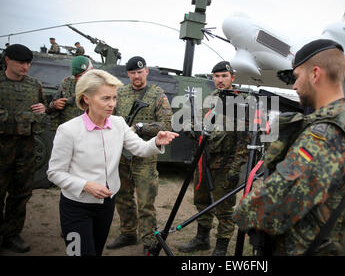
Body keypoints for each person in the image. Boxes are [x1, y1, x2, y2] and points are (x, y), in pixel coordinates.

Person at [233, 39, 345, 256]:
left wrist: (242, 212)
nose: (294, 86)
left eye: (297, 77)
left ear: (315, 74)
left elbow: (272, 206)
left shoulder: (325, 135)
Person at [47, 69, 178, 256]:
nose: (112, 104)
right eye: (105, 98)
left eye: (114, 98)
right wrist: (85, 185)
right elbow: (54, 173)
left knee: (96, 251)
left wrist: (156, 142)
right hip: (76, 207)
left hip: (106, 205)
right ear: (86, 99)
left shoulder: (118, 124)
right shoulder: (68, 130)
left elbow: (140, 148)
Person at [177, 61, 250, 256]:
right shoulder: (210, 99)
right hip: (204, 160)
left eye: (224, 76)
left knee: (224, 208)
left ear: (232, 78)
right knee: (201, 201)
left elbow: (245, 141)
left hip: (227, 163)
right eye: (216, 76)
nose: (220, 80)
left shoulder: (241, 102)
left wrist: (236, 170)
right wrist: (190, 128)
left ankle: (221, 248)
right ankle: (202, 239)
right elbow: (199, 125)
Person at [106, 56, 173, 256]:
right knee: (122, 197)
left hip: (145, 156)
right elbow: (109, 118)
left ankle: (150, 241)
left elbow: (166, 125)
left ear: (146, 72)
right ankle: (128, 233)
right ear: (128, 74)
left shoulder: (157, 95)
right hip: (122, 156)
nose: (136, 76)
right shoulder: (120, 93)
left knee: (146, 202)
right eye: (133, 73)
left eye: (140, 72)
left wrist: (141, 127)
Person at [0, 44, 47, 253]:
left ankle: (11, 234)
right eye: (21, 62)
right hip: (2, 147)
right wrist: (29, 117)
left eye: (28, 63)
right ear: (7, 59)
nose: (26, 67)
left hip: (25, 149)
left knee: (21, 194)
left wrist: (44, 110)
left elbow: (43, 115)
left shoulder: (34, 85)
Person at [47, 56, 93, 129]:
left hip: (89, 131)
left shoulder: (100, 87)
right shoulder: (67, 83)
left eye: (81, 75)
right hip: (68, 130)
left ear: (91, 70)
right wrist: (55, 104)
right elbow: (51, 106)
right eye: (76, 76)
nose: (78, 79)